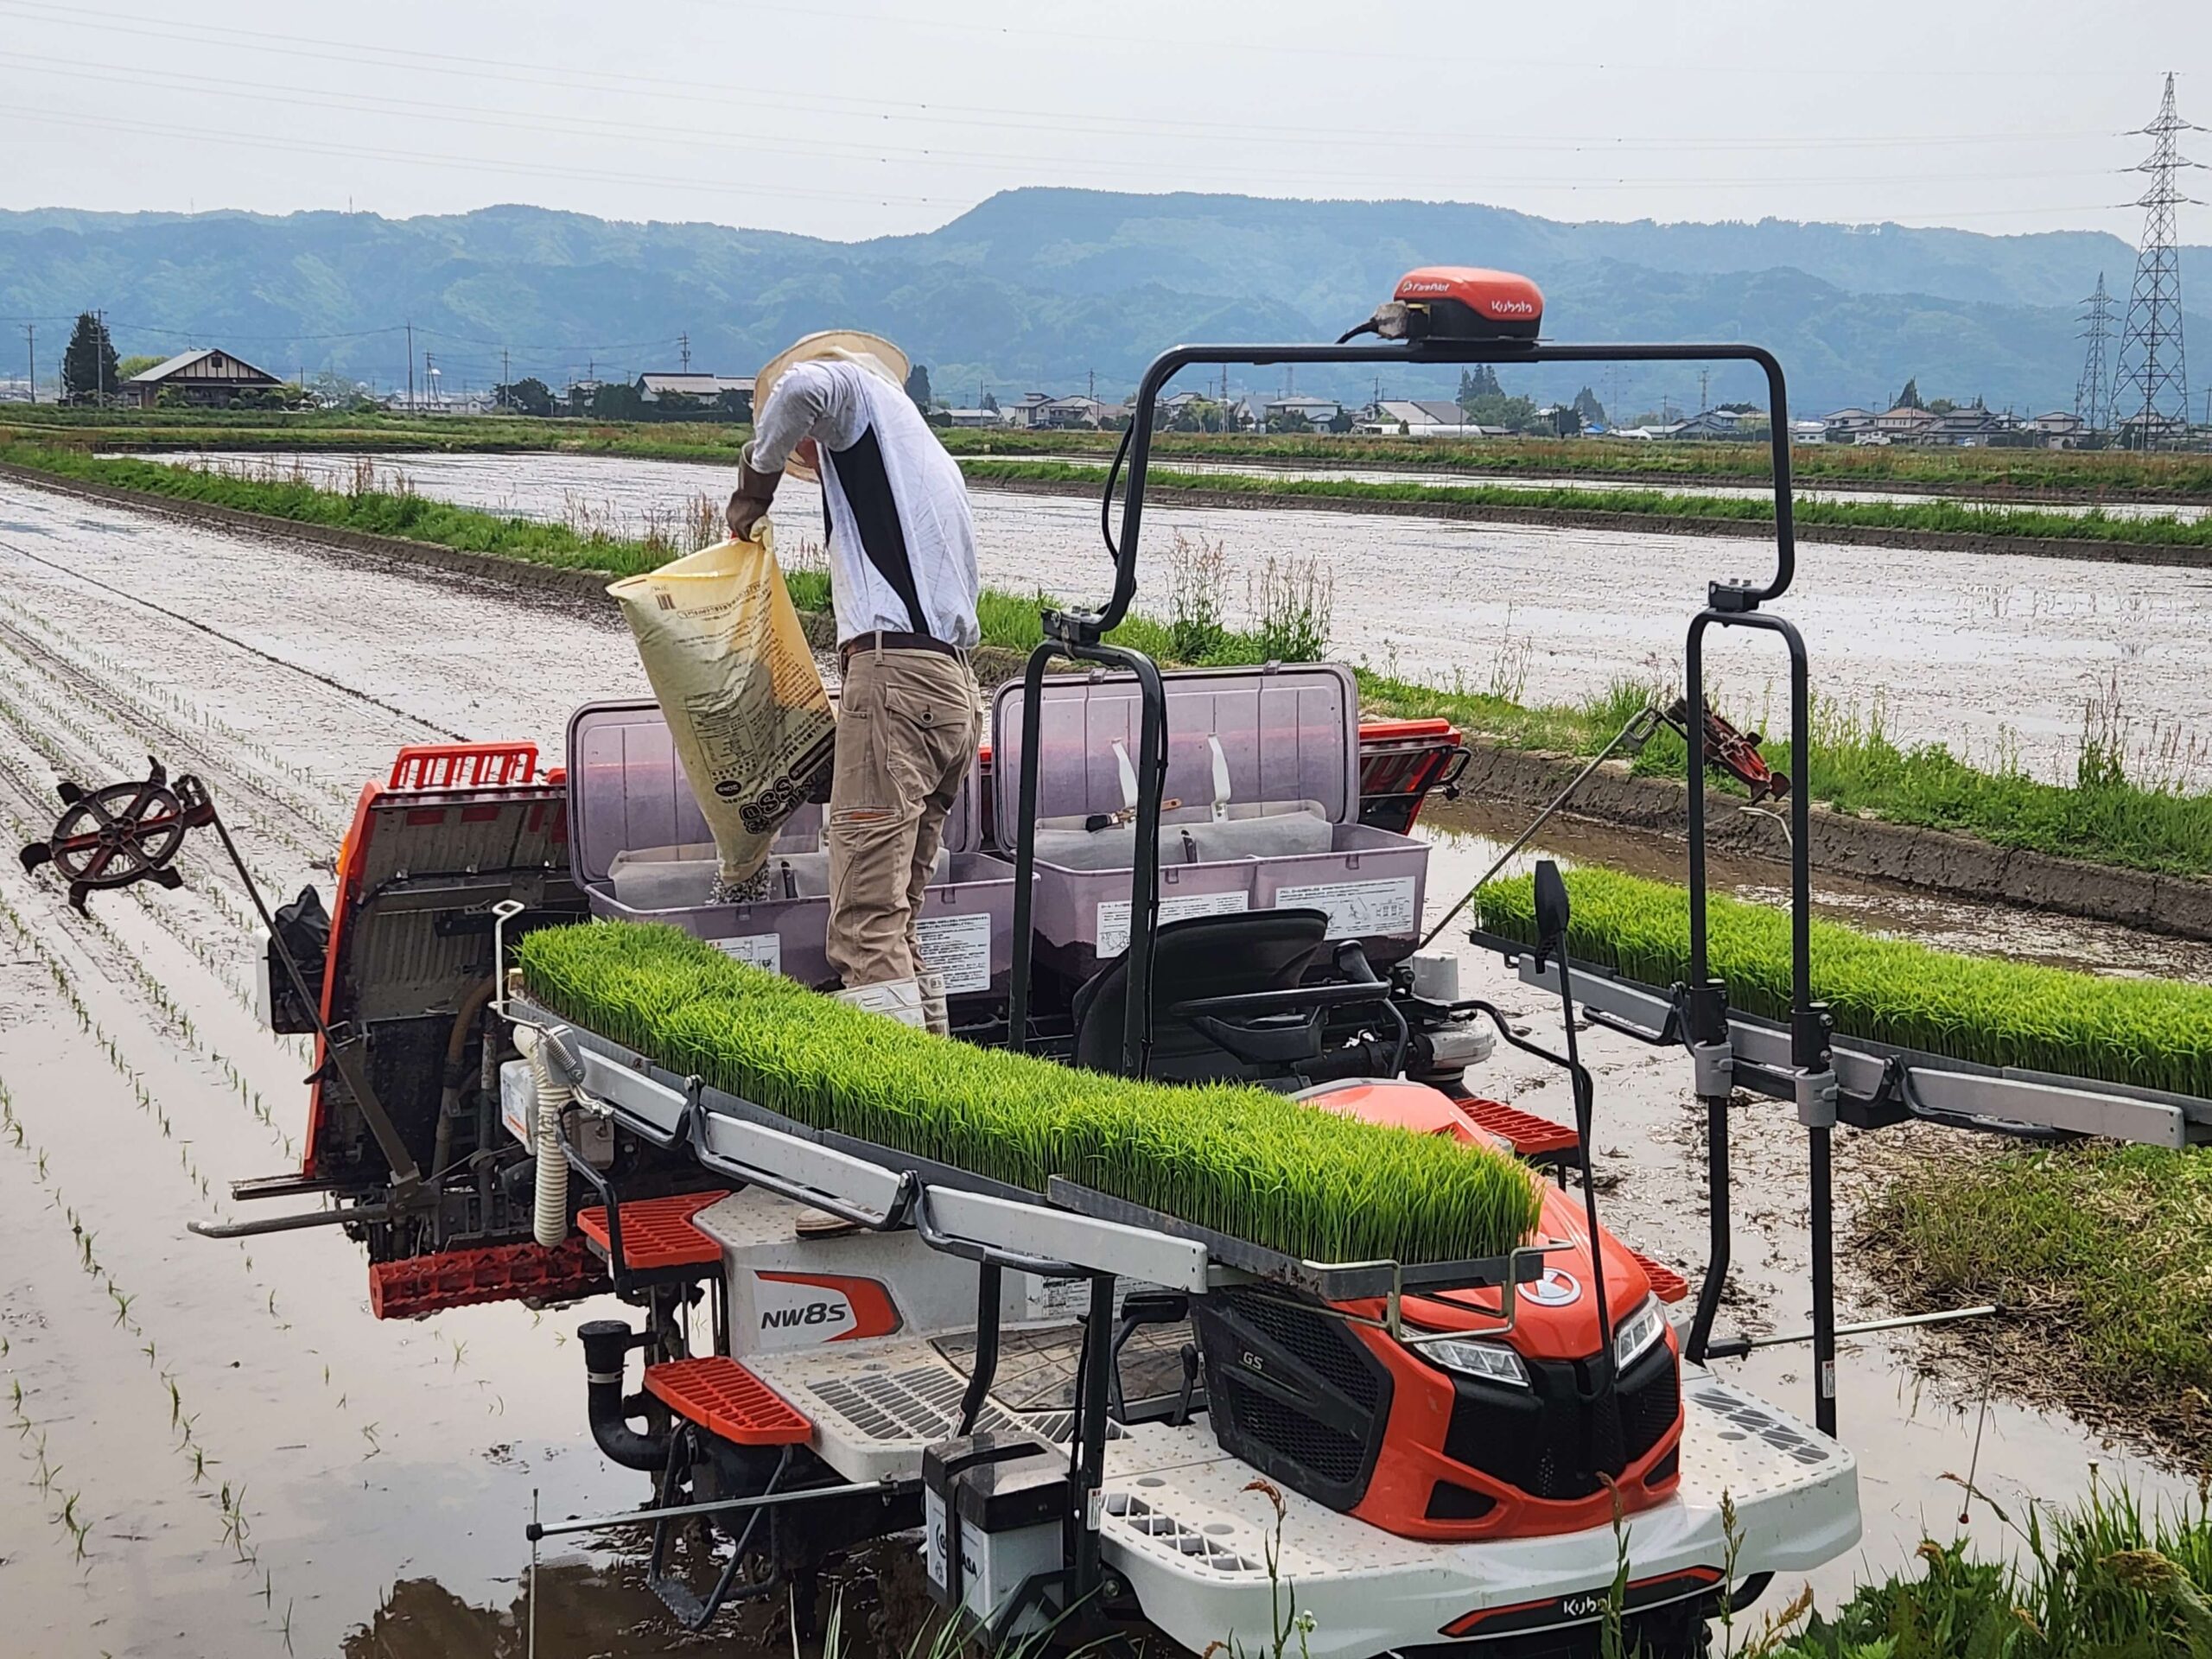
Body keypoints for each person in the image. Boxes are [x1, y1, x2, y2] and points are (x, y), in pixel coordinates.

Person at [726, 331, 981, 1035]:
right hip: (951, 693)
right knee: (895, 914)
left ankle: (899, 1116)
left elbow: (802, 388)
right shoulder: (923, 453)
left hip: (896, 680)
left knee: (864, 923)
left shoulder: (853, 395)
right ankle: (942, 1087)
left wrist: (755, 486)